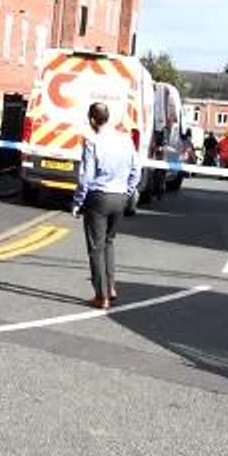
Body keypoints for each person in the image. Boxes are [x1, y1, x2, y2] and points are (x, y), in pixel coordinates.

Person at [71, 102, 141, 310]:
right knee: (109, 242)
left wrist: (77, 202)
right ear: (107, 118)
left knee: (95, 247)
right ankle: (110, 287)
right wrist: (127, 191)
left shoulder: (92, 141)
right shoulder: (126, 140)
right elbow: (136, 170)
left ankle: (101, 296)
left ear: (92, 120)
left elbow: (86, 178)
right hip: (120, 197)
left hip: (98, 198)